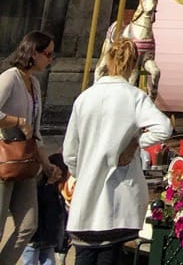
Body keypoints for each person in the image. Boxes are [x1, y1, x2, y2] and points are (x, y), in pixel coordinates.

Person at [62, 38, 170, 265]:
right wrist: (135, 143)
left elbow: (70, 152)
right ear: (133, 65)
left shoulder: (85, 98)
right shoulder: (133, 97)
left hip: (86, 202)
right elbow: (164, 127)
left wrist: (82, 172)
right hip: (119, 201)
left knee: (84, 257)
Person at [0, 32, 61, 265]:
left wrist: (47, 165)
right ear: (33, 53)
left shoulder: (34, 84)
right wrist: (16, 121)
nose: (50, 59)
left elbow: (36, 133)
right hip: (4, 159)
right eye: (48, 54)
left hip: (26, 161)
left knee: (28, 225)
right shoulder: (10, 78)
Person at [20, 155, 67, 265]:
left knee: (49, 262)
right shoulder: (38, 188)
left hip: (48, 238)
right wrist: (50, 183)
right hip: (34, 238)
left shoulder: (58, 190)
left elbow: (60, 215)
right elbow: (44, 201)